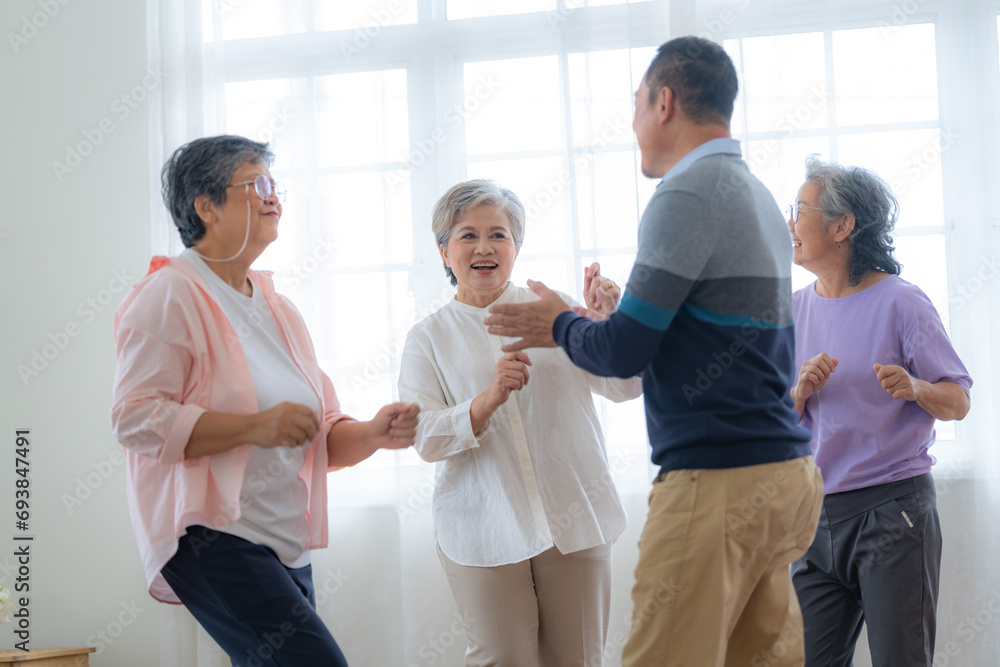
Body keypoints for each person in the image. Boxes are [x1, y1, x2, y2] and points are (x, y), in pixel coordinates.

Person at [483, 36, 824, 666]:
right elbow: (680, 339)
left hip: (716, 482)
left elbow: (620, 353)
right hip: (783, 476)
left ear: (663, 103)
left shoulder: (686, 193)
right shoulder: (753, 194)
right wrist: (605, 322)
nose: (634, 122)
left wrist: (559, 323)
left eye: (636, 104)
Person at [110, 135, 419, 667]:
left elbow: (317, 433)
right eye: (256, 184)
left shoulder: (279, 308)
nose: (273, 196)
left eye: (275, 184)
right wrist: (253, 427)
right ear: (206, 207)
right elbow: (135, 419)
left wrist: (371, 433)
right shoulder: (169, 292)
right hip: (213, 535)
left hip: (283, 542)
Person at [397, 179, 642, 667]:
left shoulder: (556, 311)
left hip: (575, 514)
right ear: (444, 251)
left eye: (498, 235)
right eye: (468, 235)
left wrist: (609, 327)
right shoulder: (427, 338)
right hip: (482, 527)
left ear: (516, 246)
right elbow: (423, 436)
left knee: (578, 660)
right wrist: (485, 402)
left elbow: (625, 387)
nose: (484, 247)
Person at [786, 156, 972, 666]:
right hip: (817, 517)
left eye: (799, 209)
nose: (789, 223)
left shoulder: (902, 302)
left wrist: (916, 387)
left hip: (893, 510)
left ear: (842, 226)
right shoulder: (793, 309)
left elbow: (958, 399)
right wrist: (799, 393)